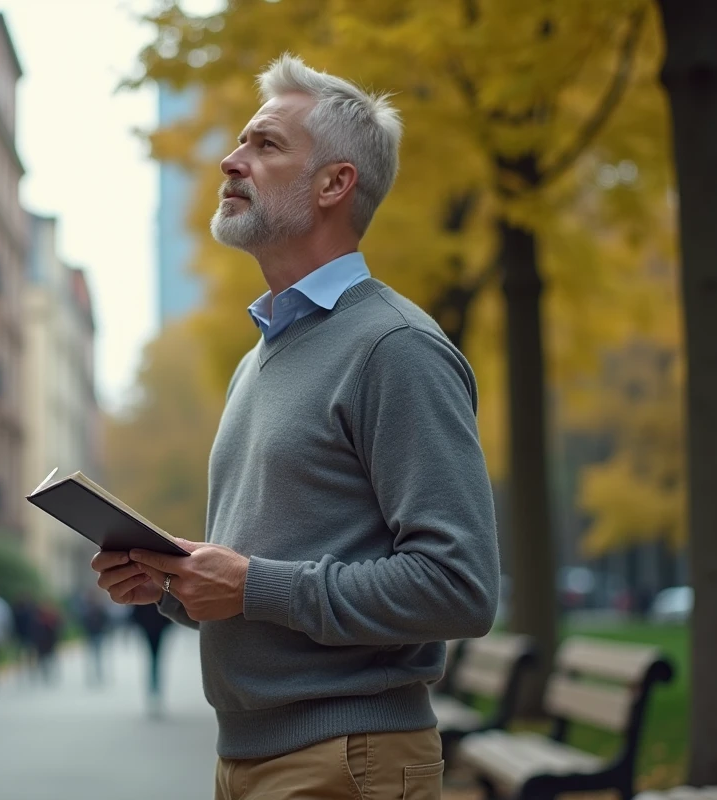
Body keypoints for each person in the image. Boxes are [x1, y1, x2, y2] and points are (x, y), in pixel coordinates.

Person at [92, 55, 499, 800]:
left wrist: (250, 587)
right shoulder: (263, 355)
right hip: (250, 758)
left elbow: (460, 587)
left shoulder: (393, 348)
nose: (230, 159)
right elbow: (281, 571)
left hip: (348, 758)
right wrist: (178, 582)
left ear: (334, 184)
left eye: (265, 144)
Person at [131, 601, 173, 718]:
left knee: (154, 661)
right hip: (152, 628)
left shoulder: (155, 594)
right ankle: (154, 690)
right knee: (154, 661)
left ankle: (155, 690)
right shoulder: (148, 595)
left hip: (154, 627)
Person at [78, 588, 109, 687]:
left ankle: (98, 674)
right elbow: (84, 622)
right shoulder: (86, 610)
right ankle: (93, 675)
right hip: (91, 634)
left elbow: (105, 619)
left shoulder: (99, 608)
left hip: (98, 633)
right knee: (93, 656)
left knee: (97, 656)